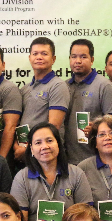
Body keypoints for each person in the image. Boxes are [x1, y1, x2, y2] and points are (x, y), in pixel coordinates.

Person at [11, 122, 93, 221]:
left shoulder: (76, 174)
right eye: (38, 143)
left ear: (58, 145)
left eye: (49, 140)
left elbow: (85, 216)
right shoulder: (21, 177)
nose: (45, 146)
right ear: (31, 149)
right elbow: (19, 220)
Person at [64, 39, 112, 165]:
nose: (78, 61)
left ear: (92, 60)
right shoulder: (64, 86)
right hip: (67, 160)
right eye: (74, 57)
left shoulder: (104, 86)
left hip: (95, 160)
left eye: (83, 56)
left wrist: (95, 128)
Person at [17, 37, 70, 166]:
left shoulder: (57, 85)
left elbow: (54, 127)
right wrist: (17, 145)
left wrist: (27, 148)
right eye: (35, 54)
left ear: (53, 59)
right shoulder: (25, 89)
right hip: (26, 153)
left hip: (46, 154)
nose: (39, 57)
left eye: (44, 53)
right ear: (30, 58)